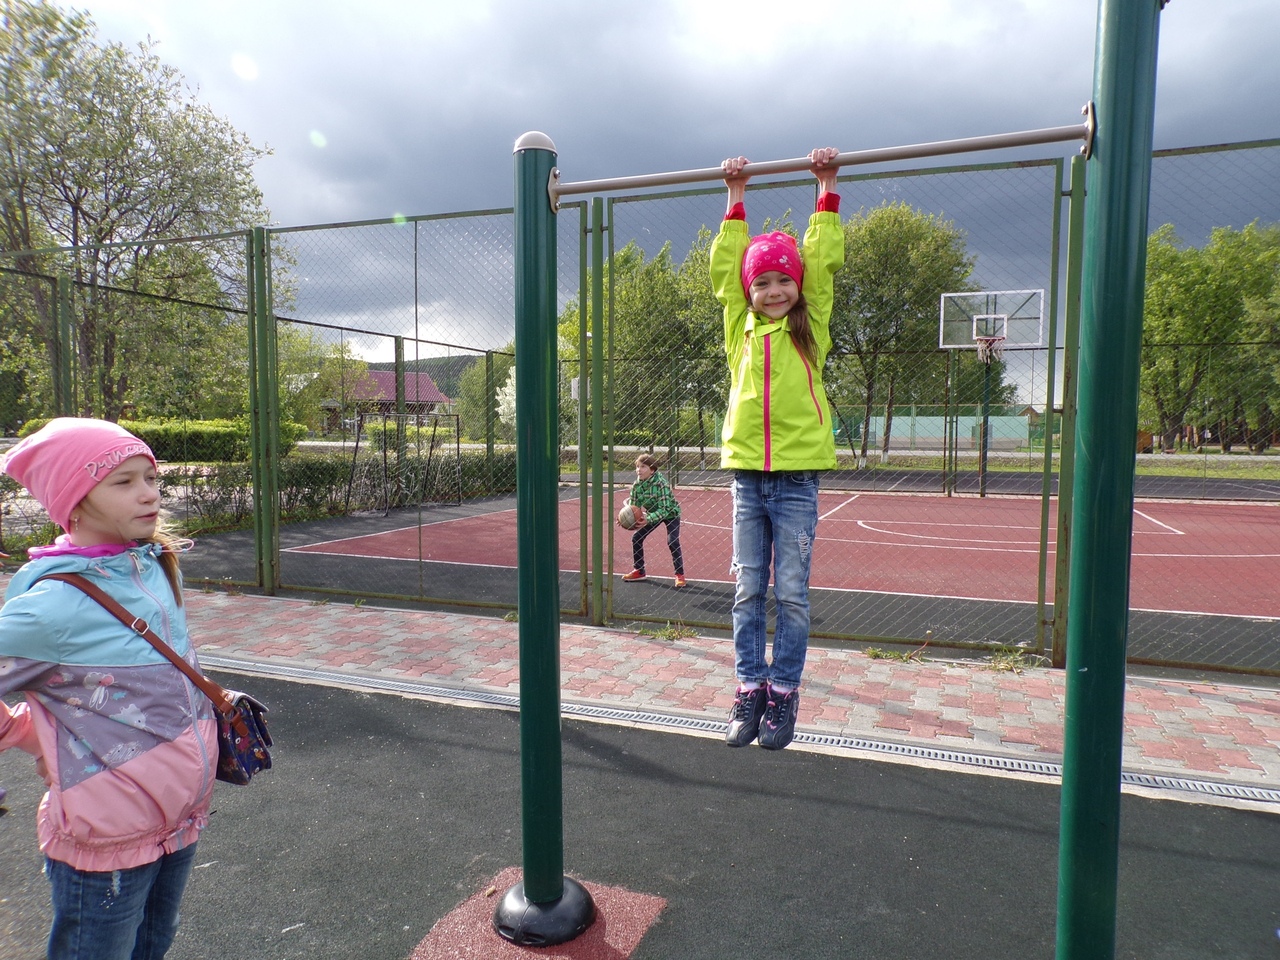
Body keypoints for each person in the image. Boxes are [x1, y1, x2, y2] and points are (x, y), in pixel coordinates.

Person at [0, 418, 219, 960]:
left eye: (151, 477)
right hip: (108, 836)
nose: (149, 494)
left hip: (178, 819)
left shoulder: (154, 565)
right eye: (124, 482)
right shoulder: (53, 606)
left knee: (153, 944)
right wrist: (25, 733)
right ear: (73, 502)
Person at [711, 147, 844, 750]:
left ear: (798, 286)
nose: (773, 290)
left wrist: (826, 188)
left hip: (795, 481)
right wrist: (735, 198)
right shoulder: (739, 330)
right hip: (747, 478)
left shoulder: (809, 328)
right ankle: (749, 686)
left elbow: (822, 262)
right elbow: (725, 273)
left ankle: (784, 691)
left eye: (783, 280)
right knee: (747, 591)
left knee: (790, 593)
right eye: (761, 282)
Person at [620, 453, 687, 588]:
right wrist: (625, 519)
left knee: (672, 541)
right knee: (637, 538)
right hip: (653, 514)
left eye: (643, 467)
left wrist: (648, 518)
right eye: (637, 467)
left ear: (652, 470)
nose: (639, 470)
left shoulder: (661, 484)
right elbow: (634, 507)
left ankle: (680, 575)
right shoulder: (637, 485)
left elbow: (665, 509)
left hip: (671, 514)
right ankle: (639, 570)